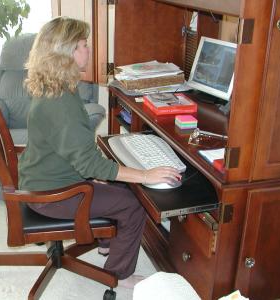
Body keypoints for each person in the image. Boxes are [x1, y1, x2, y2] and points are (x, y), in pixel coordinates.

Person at [20, 16, 181, 288]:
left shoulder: (54, 85)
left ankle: (107, 245)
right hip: (51, 194)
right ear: (66, 53)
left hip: (42, 176)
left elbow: (74, 151)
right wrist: (145, 174)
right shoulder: (61, 104)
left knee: (120, 185)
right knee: (134, 204)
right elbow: (89, 165)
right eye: (83, 44)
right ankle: (119, 274)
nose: (88, 49)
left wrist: (116, 174)